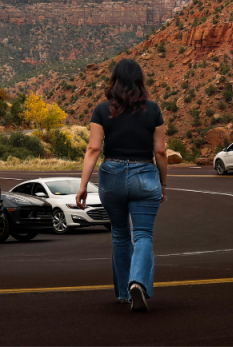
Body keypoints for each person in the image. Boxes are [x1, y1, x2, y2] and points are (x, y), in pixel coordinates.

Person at [77, 58, 168, 312]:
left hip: (111, 176)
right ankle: (137, 282)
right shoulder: (153, 109)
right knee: (142, 235)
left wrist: (83, 185)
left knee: (119, 234)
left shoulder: (102, 109)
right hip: (145, 175)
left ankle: (122, 293)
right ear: (140, 80)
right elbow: (160, 151)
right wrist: (163, 184)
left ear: (114, 80)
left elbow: (93, 148)